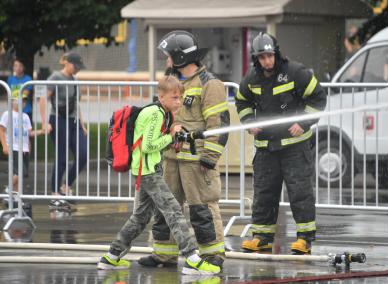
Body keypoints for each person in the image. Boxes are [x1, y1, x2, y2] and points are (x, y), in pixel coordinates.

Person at [97, 76, 221, 275]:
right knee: (174, 212)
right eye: (174, 97)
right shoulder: (156, 113)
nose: (178, 102)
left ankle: (110, 257)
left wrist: (172, 137)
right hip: (148, 173)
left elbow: (152, 142)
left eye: (180, 97)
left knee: (140, 217)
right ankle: (192, 259)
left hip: (145, 171)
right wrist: (170, 137)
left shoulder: (161, 112)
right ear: (160, 96)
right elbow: (148, 145)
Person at [138, 31, 230, 269]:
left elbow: (218, 124)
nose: (166, 61)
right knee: (166, 207)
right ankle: (164, 254)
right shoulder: (174, 84)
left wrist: (209, 158)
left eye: (169, 56)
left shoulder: (210, 84)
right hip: (170, 157)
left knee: (202, 208)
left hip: (196, 161)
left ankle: (212, 256)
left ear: (179, 57)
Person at [235, 32, 326, 255]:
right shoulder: (251, 79)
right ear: (256, 59)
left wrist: (303, 123)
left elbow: (318, 97)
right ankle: (261, 237)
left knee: (299, 193)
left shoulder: (295, 72)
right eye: (262, 57)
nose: (267, 60)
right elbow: (242, 101)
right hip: (266, 148)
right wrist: (249, 122)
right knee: (264, 193)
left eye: (270, 55)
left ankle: (304, 239)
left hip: (295, 147)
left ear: (276, 54)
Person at [39, 52, 87, 209]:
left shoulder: (75, 79)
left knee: (83, 155)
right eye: (76, 66)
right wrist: (45, 122)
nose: (78, 70)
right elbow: (43, 98)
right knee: (62, 158)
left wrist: (82, 124)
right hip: (58, 120)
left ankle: (66, 186)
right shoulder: (55, 77)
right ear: (67, 63)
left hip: (73, 121)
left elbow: (76, 104)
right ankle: (54, 194)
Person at [0, 94, 44, 202]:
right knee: (19, 172)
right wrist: (5, 145)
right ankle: (9, 188)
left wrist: (41, 132)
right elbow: (1, 130)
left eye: (24, 101)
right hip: (13, 147)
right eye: (19, 100)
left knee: (21, 175)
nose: (22, 103)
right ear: (12, 101)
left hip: (24, 149)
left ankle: (16, 198)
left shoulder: (25, 116)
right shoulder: (7, 114)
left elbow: (29, 133)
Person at [7, 58, 33, 123]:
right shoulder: (10, 79)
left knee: (26, 131)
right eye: (15, 66)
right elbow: (9, 95)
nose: (18, 68)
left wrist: (14, 94)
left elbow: (25, 94)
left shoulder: (28, 79)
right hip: (13, 111)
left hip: (26, 110)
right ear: (13, 67)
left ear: (24, 67)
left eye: (20, 66)